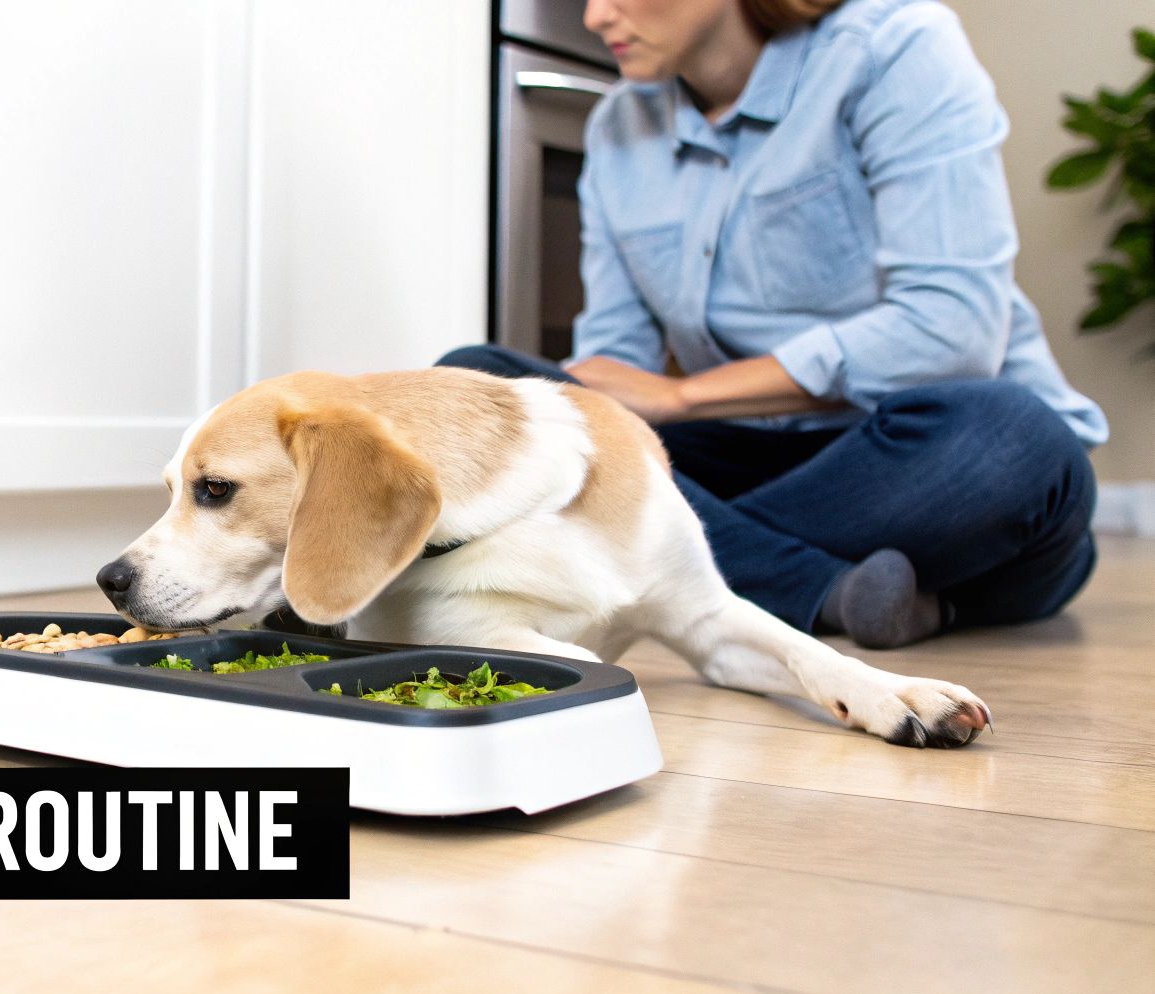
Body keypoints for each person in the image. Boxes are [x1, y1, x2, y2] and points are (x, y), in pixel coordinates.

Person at [439, 0, 1107, 649]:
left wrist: (682, 396)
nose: (595, 16)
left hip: (916, 461)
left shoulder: (894, 47)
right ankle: (826, 590)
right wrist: (581, 420)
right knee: (476, 384)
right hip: (746, 456)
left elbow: (951, 330)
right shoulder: (618, 125)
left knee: (1015, 436)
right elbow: (612, 375)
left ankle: (676, 564)